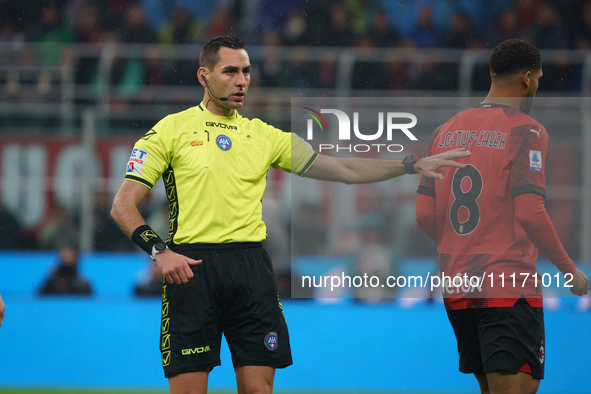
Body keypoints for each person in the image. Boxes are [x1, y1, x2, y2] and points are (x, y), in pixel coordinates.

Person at [110, 34, 470, 394]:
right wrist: (160, 252)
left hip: (251, 268)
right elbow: (122, 205)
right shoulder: (170, 130)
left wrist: (409, 165)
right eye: (230, 71)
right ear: (204, 76)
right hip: (192, 268)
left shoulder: (265, 136)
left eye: (247, 72)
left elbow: (342, 170)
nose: (241, 81)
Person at [415, 38, 589, 394]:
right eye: (538, 78)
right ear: (528, 78)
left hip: (460, 287)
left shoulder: (443, 132)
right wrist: (570, 271)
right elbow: (530, 211)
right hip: (507, 288)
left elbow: (423, 214)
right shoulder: (526, 130)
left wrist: (465, 246)